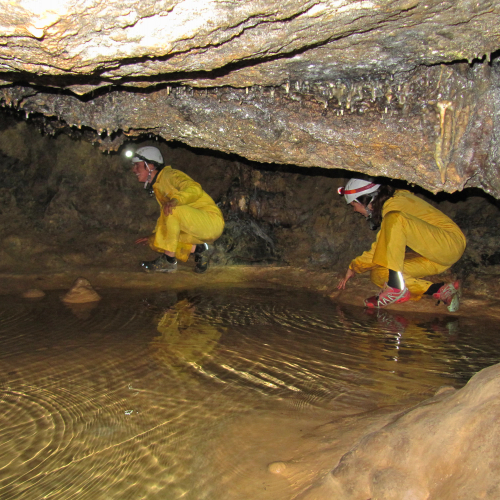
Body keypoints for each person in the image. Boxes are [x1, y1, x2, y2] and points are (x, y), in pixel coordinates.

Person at [336, 178, 466, 311]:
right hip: (434, 256)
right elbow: (382, 254)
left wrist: (354, 267)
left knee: (395, 219)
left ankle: (396, 287)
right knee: (379, 274)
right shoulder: (392, 204)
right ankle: (439, 290)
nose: (354, 210)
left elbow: (380, 248)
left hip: (450, 244)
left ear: (365, 200)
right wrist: (356, 267)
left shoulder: (394, 206)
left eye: (353, 205)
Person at [129, 145, 225, 273]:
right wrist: (155, 235)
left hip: (210, 221)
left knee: (172, 209)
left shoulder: (170, 175)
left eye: (137, 165)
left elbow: (194, 188)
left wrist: (176, 200)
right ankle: (200, 249)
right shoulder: (158, 186)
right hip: (194, 226)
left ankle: (168, 261)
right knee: (155, 241)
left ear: (150, 165)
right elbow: (166, 221)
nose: (133, 169)